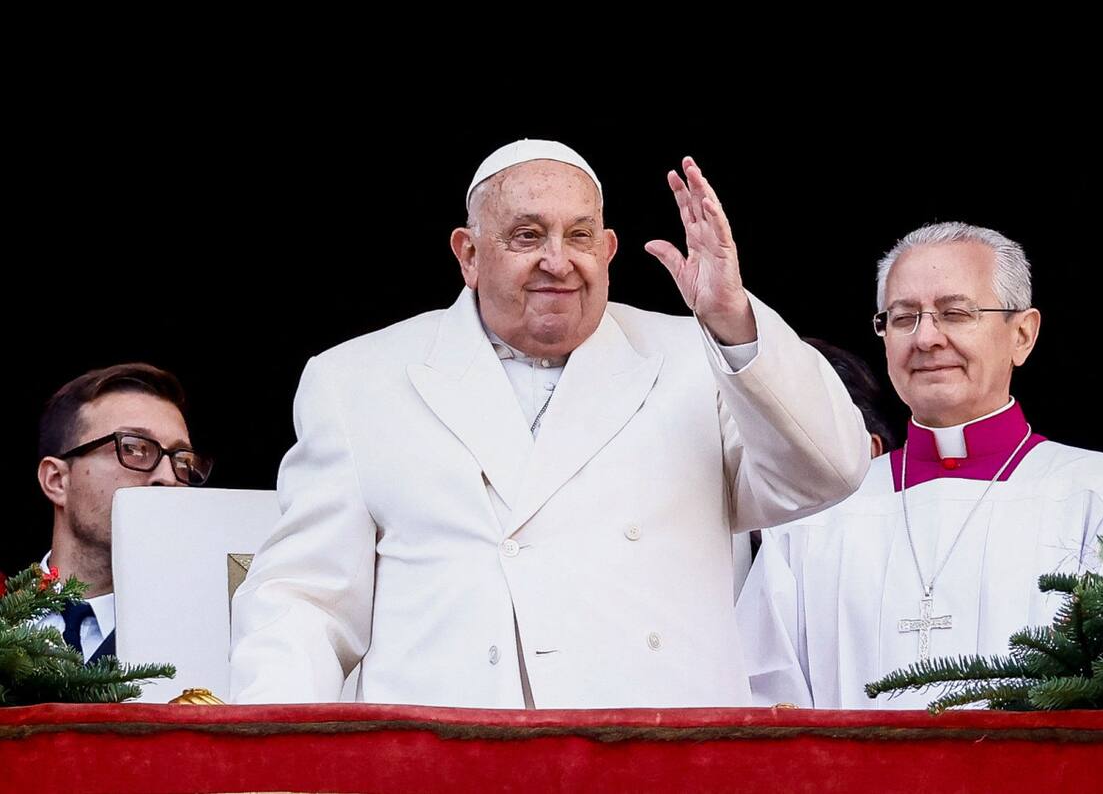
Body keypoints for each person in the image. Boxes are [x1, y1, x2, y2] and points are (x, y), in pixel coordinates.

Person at [230, 139, 870, 707]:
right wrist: (270, 759)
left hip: (658, 764)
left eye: (580, 236)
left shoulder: (698, 358)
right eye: (528, 235)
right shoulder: (357, 380)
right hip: (448, 765)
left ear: (610, 249)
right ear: (469, 254)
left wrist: (731, 318)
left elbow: (831, 471)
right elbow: (305, 600)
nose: (558, 261)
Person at [736, 221, 1103, 708]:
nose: (926, 338)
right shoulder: (815, 513)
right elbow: (764, 700)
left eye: (955, 313)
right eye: (903, 318)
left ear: (1023, 335)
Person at [33, 363, 213, 662]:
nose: (168, 476)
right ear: (56, 481)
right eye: (134, 448)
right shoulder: (7, 618)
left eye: (183, 460)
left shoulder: (221, 635)